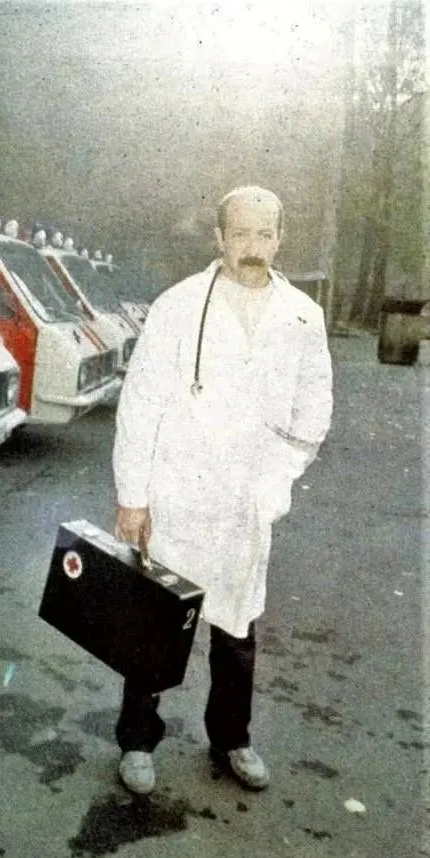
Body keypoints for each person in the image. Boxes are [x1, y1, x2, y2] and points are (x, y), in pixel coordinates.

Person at [112, 186, 333, 795]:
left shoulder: (302, 316)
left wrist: (276, 483)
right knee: (156, 625)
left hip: (245, 506)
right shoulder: (179, 306)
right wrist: (133, 496)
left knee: (237, 631)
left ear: (281, 239)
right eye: (240, 234)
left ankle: (232, 737)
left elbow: (315, 411)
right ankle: (136, 741)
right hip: (177, 496)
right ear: (219, 237)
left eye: (265, 235)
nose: (253, 248)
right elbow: (140, 405)